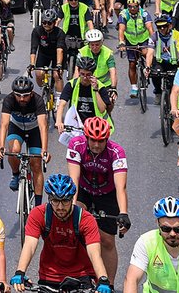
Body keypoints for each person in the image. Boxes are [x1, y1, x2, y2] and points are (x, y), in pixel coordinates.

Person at [11, 174, 111, 293]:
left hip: (81, 276)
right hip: (50, 276)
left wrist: (103, 279)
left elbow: (94, 253)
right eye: (55, 201)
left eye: (65, 201)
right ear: (49, 199)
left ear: (72, 199)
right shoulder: (38, 214)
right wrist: (20, 272)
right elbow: (30, 245)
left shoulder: (86, 219)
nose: (60, 207)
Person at [66, 117, 130, 282]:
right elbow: (73, 179)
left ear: (107, 139)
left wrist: (123, 213)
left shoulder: (116, 152)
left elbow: (121, 187)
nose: (96, 145)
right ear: (86, 137)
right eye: (93, 140)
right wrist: (72, 208)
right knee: (75, 226)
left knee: (107, 241)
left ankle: (108, 284)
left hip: (107, 194)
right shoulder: (76, 145)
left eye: (101, 141)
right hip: (84, 191)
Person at [0, 76, 50, 202]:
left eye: (25, 95)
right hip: (17, 127)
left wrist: (44, 150)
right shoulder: (9, 100)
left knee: (36, 165)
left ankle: (38, 205)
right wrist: (1, 146)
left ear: (31, 93)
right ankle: (15, 174)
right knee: (14, 150)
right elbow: (4, 124)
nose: (21, 98)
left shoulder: (38, 101)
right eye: (18, 95)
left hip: (34, 130)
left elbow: (43, 126)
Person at [57, 56, 115, 137]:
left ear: (93, 73)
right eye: (82, 74)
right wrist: (59, 121)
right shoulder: (71, 84)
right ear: (78, 72)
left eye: (88, 75)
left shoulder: (100, 86)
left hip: (95, 126)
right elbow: (62, 104)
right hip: (77, 125)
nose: (85, 78)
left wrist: (95, 90)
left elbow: (102, 109)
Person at [116, 0, 154, 99]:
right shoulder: (124, 14)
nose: (133, 9)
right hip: (130, 40)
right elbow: (121, 30)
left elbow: (150, 28)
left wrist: (154, 41)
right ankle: (134, 87)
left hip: (143, 39)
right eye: (130, 7)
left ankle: (147, 70)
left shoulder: (144, 14)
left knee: (147, 54)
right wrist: (121, 42)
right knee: (132, 64)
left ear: (139, 6)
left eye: (135, 6)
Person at [79, 29, 117, 111]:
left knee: (110, 103)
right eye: (92, 45)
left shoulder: (108, 53)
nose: (95, 47)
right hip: (87, 82)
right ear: (88, 44)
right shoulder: (82, 52)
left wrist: (113, 88)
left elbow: (113, 71)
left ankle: (107, 118)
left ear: (101, 43)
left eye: (97, 45)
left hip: (104, 84)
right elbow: (76, 71)